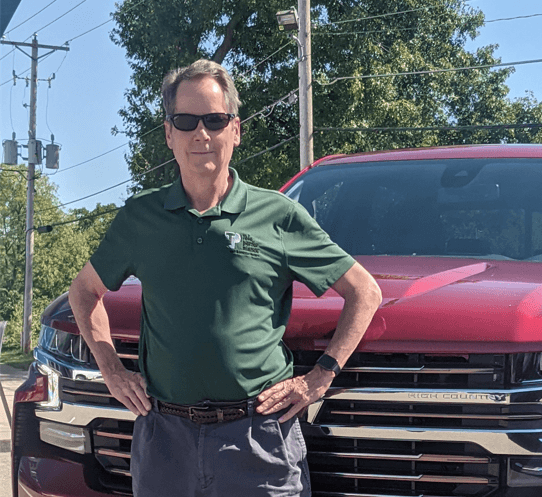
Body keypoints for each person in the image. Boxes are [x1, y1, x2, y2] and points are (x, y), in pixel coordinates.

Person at [68, 59, 382, 497]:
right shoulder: (141, 217)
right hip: (164, 441)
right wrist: (112, 370)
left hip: (259, 440)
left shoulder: (278, 215)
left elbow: (365, 291)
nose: (202, 134)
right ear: (169, 134)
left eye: (215, 121)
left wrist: (320, 377)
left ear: (235, 131)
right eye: (186, 120)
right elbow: (84, 292)